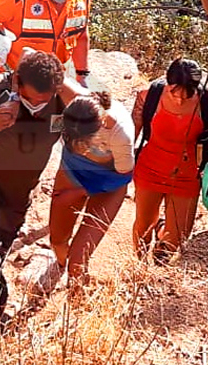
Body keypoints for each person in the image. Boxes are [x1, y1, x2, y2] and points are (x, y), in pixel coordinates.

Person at [0, 50, 87, 312]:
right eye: (28, 98)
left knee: (2, 243)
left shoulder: (61, 100)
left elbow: (95, 111)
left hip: (20, 192)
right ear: (17, 84)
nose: (35, 105)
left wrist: (63, 87)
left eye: (42, 101)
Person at [130, 58, 208, 261]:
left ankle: (160, 264)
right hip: (150, 169)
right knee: (144, 227)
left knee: (177, 239)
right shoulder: (149, 96)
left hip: (187, 175)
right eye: (174, 92)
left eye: (187, 94)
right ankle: (140, 270)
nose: (180, 99)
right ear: (167, 83)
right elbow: (132, 133)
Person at [48, 90, 135, 280]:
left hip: (110, 182)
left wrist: (80, 193)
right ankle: (61, 265)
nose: (80, 147)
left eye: (84, 142)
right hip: (72, 170)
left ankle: (76, 300)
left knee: (78, 262)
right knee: (57, 241)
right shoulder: (72, 109)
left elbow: (125, 175)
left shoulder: (120, 134)